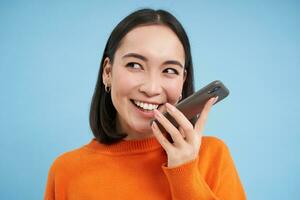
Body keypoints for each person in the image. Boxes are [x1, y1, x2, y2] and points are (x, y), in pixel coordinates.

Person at [44, 8, 246, 200]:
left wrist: (185, 172)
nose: (151, 88)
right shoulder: (66, 171)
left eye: (169, 70)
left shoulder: (213, 156)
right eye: (135, 65)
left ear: (182, 81)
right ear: (108, 72)